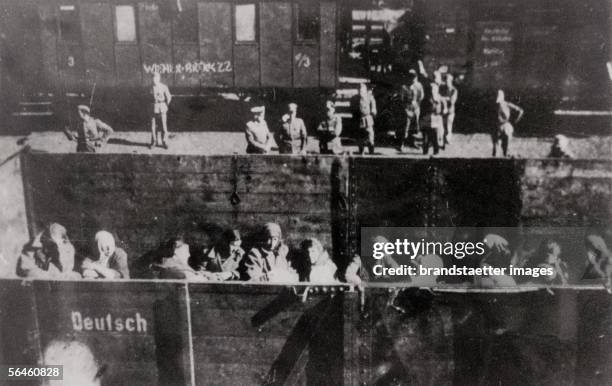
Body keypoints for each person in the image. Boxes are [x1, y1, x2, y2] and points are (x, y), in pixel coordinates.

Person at [16, 223, 81, 279]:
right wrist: (53, 275)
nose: (47, 249)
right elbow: (26, 271)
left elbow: (67, 271)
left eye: (53, 246)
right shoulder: (32, 248)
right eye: (47, 244)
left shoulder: (68, 248)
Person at [418, 61, 444, 155]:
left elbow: (423, 74)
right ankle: (434, 149)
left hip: (429, 108)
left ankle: (427, 149)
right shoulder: (433, 85)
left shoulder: (431, 84)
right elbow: (423, 74)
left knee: (427, 131)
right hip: (431, 109)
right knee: (432, 131)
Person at [398, 69, 424, 151]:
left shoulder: (419, 85)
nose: (413, 79)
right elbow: (401, 99)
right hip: (407, 108)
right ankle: (401, 144)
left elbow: (421, 96)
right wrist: (406, 109)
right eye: (411, 77)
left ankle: (413, 142)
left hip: (416, 108)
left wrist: (417, 105)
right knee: (406, 126)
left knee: (415, 126)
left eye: (414, 77)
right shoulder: (404, 87)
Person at [493, 90, 523, 157]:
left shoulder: (506, 104)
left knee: (504, 147)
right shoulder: (497, 105)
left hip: (505, 126)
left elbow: (520, 111)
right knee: (497, 147)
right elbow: (520, 111)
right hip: (499, 126)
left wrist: (515, 120)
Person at [150, 72, 172, 149]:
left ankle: (165, 142)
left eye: (156, 78)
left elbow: (169, 96)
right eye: (153, 78)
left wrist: (166, 104)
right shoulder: (150, 87)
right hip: (153, 108)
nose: (154, 79)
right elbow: (147, 98)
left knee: (163, 125)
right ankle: (154, 142)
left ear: (159, 78)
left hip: (162, 107)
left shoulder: (163, 87)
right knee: (153, 127)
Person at [356, 83, 377, 155]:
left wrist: (373, 111)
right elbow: (353, 108)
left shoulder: (369, 97)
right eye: (359, 90)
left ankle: (371, 150)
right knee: (361, 136)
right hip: (360, 118)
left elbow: (373, 105)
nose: (360, 91)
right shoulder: (356, 98)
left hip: (368, 117)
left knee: (370, 134)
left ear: (365, 90)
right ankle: (361, 150)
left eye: (362, 90)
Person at [439, 73, 458, 145]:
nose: (447, 82)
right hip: (442, 110)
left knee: (448, 125)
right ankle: (443, 139)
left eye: (448, 80)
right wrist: (445, 98)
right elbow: (438, 96)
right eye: (445, 80)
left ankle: (448, 139)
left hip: (450, 110)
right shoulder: (442, 88)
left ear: (451, 81)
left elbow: (452, 101)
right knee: (442, 125)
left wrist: (443, 98)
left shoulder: (454, 90)